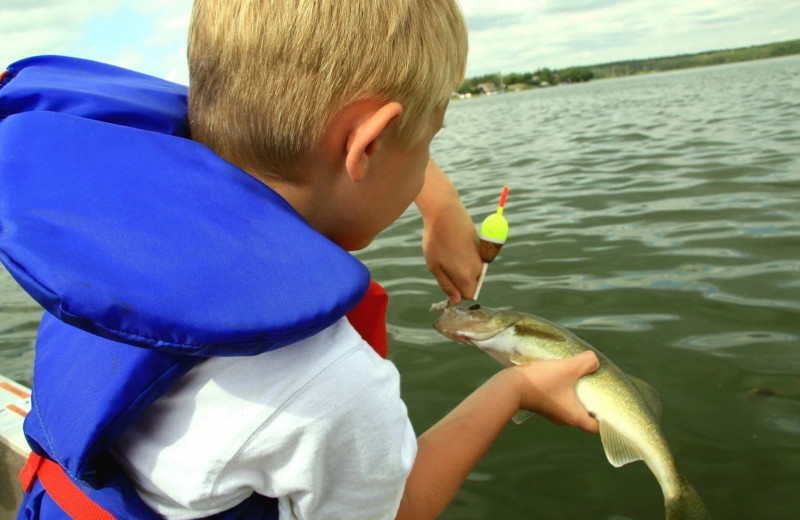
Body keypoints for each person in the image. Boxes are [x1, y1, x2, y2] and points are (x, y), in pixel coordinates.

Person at [2, 1, 599, 518]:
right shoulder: (327, 382)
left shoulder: (119, 236)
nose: (426, 168)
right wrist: (513, 392)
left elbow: (348, 140)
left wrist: (440, 206)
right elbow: (399, 511)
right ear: (366, 144)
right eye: (430, 140)